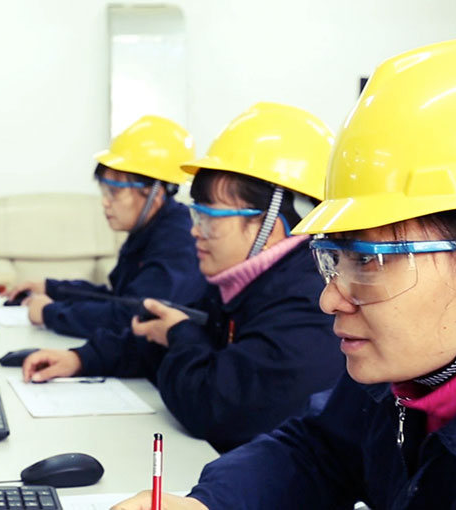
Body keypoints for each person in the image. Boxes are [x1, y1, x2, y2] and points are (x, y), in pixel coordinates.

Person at [113, 38, 456, 510]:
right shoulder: (400, 376)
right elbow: (316, 450)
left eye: (368, 260)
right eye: (335, 257)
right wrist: (209, 504)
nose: (328, 299)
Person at [23, 102, 345, 452]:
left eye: (209, 218)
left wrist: (181, 335)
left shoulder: (310, 304)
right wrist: (83, 358)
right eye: (196, 215)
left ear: (272, 226)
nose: (194, 231)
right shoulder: (239, 284)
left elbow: (210, 407)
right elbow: (159, 329)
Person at [5, 115, 206, 339]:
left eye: (114, 191)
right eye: (104, 190)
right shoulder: (150, 229)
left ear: (154, 194)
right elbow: (119, 298)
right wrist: (52, 288)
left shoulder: (177, 242)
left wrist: (49, 313)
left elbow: (131, 317)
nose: (105, 202)